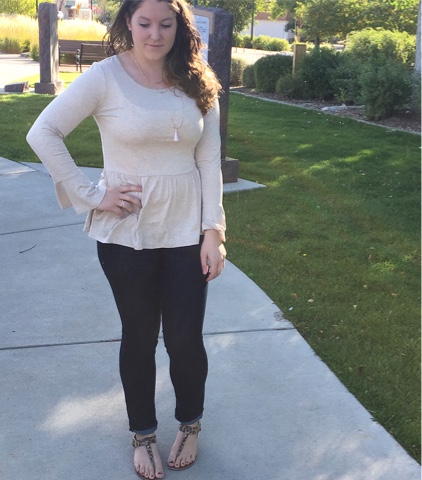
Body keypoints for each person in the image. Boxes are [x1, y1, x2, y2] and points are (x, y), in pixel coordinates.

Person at [26, 1, 226, 478]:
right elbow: (43, 132)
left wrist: (213, 231)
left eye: (166, 24)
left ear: (180, 27)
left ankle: (190, 425)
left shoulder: (198, 80)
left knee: (184, 338)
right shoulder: (105, 77)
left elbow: (208, 160)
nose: (155, 34)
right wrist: (93, 195)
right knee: (139, 337)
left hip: (186, 231)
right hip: (126, 234)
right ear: (128, 24)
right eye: (145, 23)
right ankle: (143, 435)